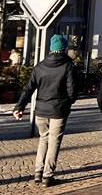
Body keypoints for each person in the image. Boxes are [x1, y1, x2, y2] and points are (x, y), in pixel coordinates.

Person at [13, 34, 76, 187]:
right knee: (54, 142)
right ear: (64, 49)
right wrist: (67, 103)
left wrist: (19, 107)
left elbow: (28, 89)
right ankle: (48, 175)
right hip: (58, 110)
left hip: (40, 110)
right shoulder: (68, 66)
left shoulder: (39, 66)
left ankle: (38, 172)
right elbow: (72, 91)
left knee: (43, 139)